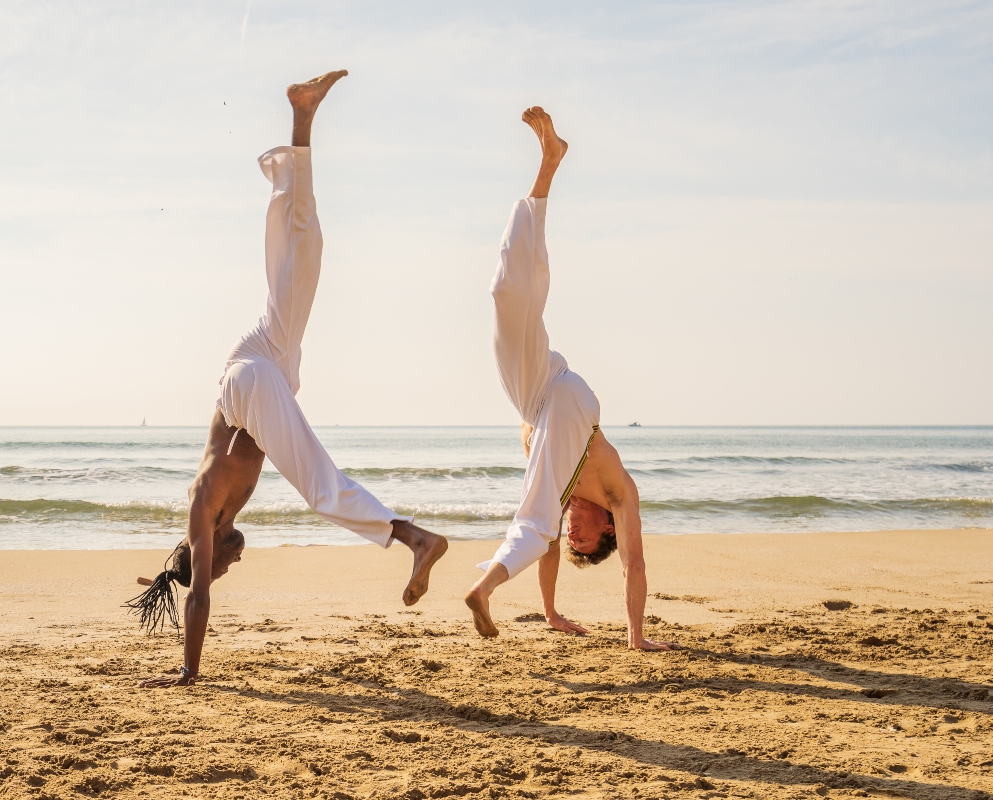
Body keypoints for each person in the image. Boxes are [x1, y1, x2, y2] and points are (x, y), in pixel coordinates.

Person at [130, 71, 449, 688]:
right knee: (303, 253)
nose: (228, 566)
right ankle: (302, 119)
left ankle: (411, 537)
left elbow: (196, 597)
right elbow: (187, 581)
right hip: (268, 371)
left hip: (247, 382)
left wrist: (188, 670)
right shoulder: (219, 519)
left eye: (220, 568)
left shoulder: (202, 512)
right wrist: (169, 575)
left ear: (207, 556)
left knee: (315, 482)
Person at [464, 106, 677, 651]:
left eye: (573, 541)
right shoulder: (618, 491)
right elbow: (636, 564)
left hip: (534, 395)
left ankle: (548, 166)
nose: (576, 536)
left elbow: (550, 545)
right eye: (587, 539)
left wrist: (552, 612)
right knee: (537, 516)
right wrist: (636, 637)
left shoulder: (557, 489)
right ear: (606, 526)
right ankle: (484, 586)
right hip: (569, 396)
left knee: (512, 294)